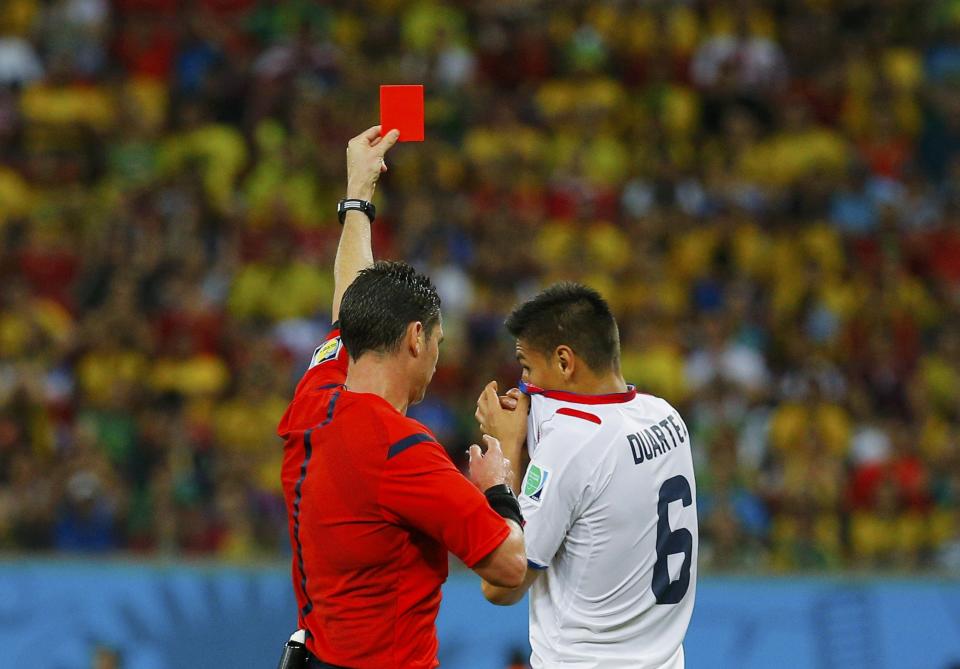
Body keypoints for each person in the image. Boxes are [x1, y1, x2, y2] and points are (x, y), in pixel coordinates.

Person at [277, 125, 526, 669]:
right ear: (417, 337)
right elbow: (509, 566)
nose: (437, 358)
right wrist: (498, 488)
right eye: (438, 342)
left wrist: (357, 200)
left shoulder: (316, 392)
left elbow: (352, 303)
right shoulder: (401, 451)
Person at [475, 283, 698, 669]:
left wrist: (505, 452)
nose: (524, 385)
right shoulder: (665, 416)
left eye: (527, 367)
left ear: (565, 362)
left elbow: (500, 584)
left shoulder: (571, 445)